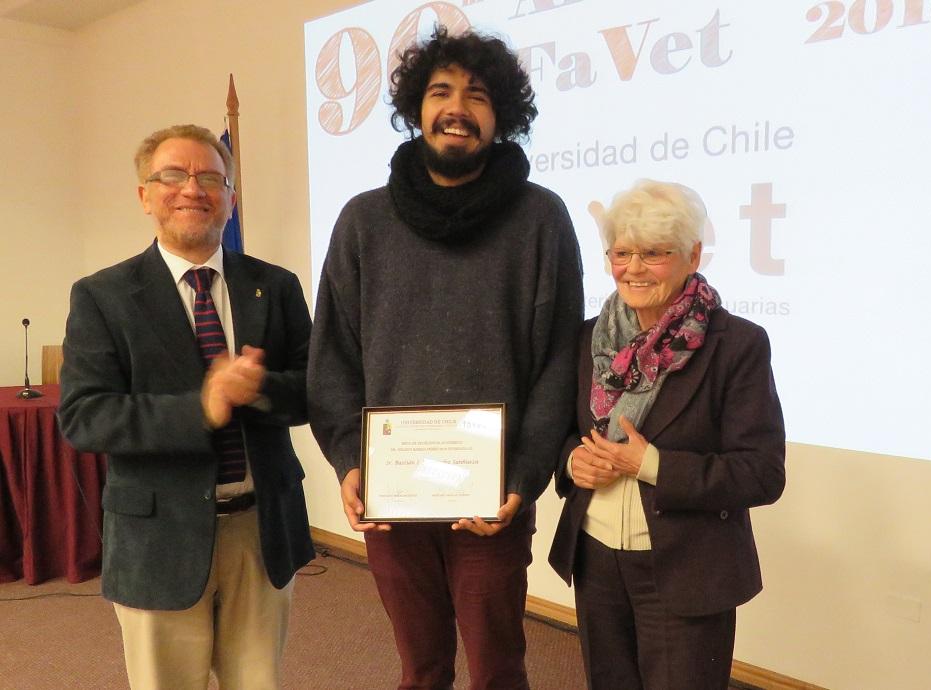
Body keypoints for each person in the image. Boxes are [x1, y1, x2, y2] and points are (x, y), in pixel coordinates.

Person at [308, 25, 584, 690]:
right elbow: (332, 358)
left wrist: (524, 475)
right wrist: (350, 458)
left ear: (502, 115)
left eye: (477, 94)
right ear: (414, 107)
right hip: (392, 499)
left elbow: (558, 363)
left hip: (490, 501)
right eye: (440, 91)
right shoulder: (362, 221)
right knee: (421, 668)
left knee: (497, 669)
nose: (456, 106)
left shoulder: (541, 219)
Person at [58, 124, 314, 690]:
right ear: (144, 196)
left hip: (260, 530)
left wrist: (259, 388)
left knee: (258, 683)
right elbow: (84, 416)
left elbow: (313, 390)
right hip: (157, 540)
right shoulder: (101, 296)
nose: (192, 189)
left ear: (230, 195)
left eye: (210, 178)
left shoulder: (275, 285)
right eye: (172, 175)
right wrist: (202, 407)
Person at [547, 180, 786, 690]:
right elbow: (567, 434)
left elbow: (762, 473)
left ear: (693, 254)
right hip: (596, 559)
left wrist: (650, 464)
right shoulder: (589, 337)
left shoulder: (737, 344)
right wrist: (572, 463)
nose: (633, 268)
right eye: (622, 252)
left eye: (653, 253)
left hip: (687, 568)